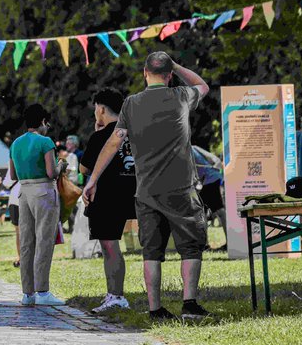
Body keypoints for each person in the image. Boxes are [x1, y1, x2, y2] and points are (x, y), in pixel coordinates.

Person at [83, 52, 212, 322]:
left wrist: (92, 180)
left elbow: (113, 143)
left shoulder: (131, 104)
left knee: (151, 251)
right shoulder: (181, 96)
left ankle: (155, 309)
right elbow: (202, 85)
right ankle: (189, 305)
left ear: (144, 73)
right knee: (190, 247)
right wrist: (177, 65)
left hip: (146, 191)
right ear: (169, 75)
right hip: (181, 188)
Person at [79, 88, 136, 313]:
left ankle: (116, 295)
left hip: (107, 196)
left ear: (101, 109)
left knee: (110, 246)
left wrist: (98, 133)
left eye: (96, 109)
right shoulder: (133, 132)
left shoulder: (100, 136)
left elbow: (84, 168)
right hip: (136, 192)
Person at [10, 103, 63, 306]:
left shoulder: (16, 143)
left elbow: (12, 175)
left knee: (26, 242)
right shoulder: (45, 141)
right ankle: (43, 291)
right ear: (42, 121)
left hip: (23, 192)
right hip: (43, 191)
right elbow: (51, 172)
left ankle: (28, 293)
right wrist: (61, 165)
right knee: (44, 240)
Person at [191, 144, 226, 248]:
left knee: (219, 211)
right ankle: (205, 244)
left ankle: (228, 242)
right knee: (203, 213)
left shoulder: (193, 148)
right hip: (203, 183)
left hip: (210, 180)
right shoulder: (187, 150)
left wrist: (217, 165)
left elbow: (216, 160)